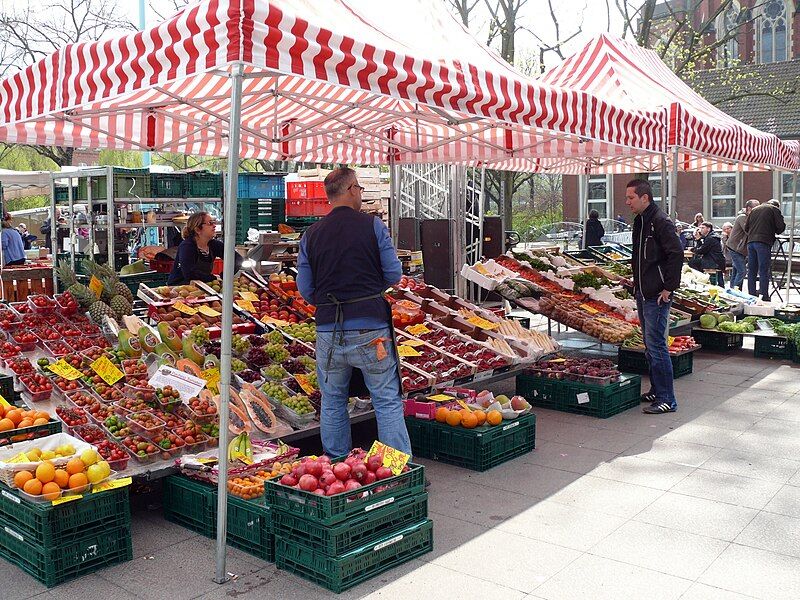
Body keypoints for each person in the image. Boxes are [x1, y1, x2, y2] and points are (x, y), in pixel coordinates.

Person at [297, 167, 412, 457]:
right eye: (359, 188)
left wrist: (330, 301)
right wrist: (368, 291)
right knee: (386, 400)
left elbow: (306, 289)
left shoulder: (310, 234)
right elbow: (394, 273)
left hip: (328, 332)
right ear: (350, 190)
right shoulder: (372, 226)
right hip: (371, 328)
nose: (360, 193)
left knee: (333, 401)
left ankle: (336, 468)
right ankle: (395, 469)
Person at [626, 179, 683, 415]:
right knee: (650, 346)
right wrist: (635, 281)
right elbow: (643, 257)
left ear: (645, 198)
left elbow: (676, 254)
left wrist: (669, 288)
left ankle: (667, 399)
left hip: (657, 296)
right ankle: (657, 390)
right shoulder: (640, 221)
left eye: (631, 197)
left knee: (658, 346)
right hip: (643, 291)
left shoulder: (660, 221)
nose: (627, 201)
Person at [167, 212, 241, 285]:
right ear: (198, 230)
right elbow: (190, 273)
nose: (214, 226)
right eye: (210, 223)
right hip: (179, 288)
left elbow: (238, 259)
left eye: (214, 222)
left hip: (204, 286)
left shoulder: (214, 244)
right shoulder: (187, 246)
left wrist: (224, 276)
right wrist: (213, 278)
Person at [745, 198, 785, 301]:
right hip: (763, 242)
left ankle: (751, 295)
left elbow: (746, 227)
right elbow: (781, 227)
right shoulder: (774, 209)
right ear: (777, 206)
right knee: (763, 270)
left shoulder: (755, 209)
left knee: (752, 270)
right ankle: (764, 295)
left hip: (751, 242)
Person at [727, 200, 759, 290]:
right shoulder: (742, 217)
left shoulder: (748, 217)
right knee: (742, 271)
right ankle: (735, 291)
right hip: (735, 247)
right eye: (756, 208)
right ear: (749, 208)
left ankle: (732, 289)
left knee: (736, 270)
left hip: (739, 249)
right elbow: (748, 230)